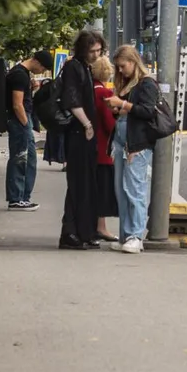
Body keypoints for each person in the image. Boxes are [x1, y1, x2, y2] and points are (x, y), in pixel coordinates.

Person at [107, 44, 160, 255]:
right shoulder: (128, 84)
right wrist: (117, 109)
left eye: (122, 66)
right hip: (123, 142)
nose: (120, 71)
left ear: (133, 62)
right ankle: (125, 235)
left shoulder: (146, 84)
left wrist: (123, 105)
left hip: (137, 144)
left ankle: (135, 236)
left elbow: (148, 111)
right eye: (117, 67)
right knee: (121, 190)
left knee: (134, 190)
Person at [57, 31, 104, 250]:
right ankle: (72, 231)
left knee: (84, 183)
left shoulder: (81, 67)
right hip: (79, 132)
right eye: (93, 50)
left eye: (99, 50)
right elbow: (72, 99)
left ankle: (81, 231)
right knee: (79, 183)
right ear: (84, 49)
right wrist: (87, 124)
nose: (97, 54)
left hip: (82, 132)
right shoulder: (75, 68)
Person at [5, 51, 50, 211]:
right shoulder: (19, 75)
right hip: (19, 121)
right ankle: (16, 198)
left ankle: (22, 196)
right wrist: (26, 124)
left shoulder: (20, 74)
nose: (42, 72)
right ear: (37, 62)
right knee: (21, 158)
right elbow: (17, 104)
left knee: (28, 158)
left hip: (21, 120)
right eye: (43, 68)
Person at [91, 55, 119, 243]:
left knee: (91, 189)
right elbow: (110, 125)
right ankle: (101, 227)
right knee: (102, 191)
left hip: (89, 146)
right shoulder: (105, 94)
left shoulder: (89, 90)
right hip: (103, 149)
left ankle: (92, 226)